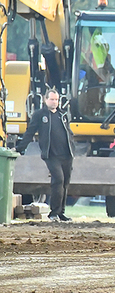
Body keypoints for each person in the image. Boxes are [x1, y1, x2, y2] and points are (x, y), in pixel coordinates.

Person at [15, 89, 75, 222]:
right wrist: (20, 148)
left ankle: (61, 212)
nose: (54, 102)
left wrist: (73, 148)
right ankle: (53, 213)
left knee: (65, 182)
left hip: (66, 154)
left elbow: (69, 133)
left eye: (57, 100)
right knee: (58, 180)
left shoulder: (62, 115)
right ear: (45, 100)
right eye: (52, 99)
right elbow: (30, 132)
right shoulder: (40, 115)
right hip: (51, 155)